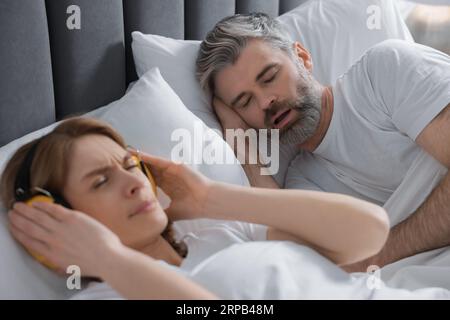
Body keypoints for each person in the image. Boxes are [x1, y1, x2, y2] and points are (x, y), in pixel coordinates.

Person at [1, 117, 389, 299]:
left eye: (130, 166)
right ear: (57, 215)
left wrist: (210, 198)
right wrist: (107, 259)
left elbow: (370, 231)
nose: (136, 183)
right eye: (101, 181)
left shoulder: (221, 232)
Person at [195, 13, 450, 272]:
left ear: (303, 59)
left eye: (270, 76)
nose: (264, 102)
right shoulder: (304, 181)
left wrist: (376, 258)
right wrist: (245, 151)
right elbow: (302, 264)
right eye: (245, 102)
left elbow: (362, 263)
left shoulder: (383, 72)